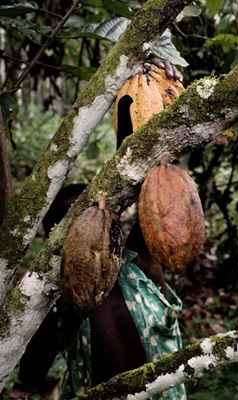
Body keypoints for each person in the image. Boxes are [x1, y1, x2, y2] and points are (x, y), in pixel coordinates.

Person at [9, 61, 186, 400]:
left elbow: (138, 165)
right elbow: (41, 350)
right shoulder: (72, 298)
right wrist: (25, 384)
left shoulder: (137, 263)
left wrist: (141, 90)